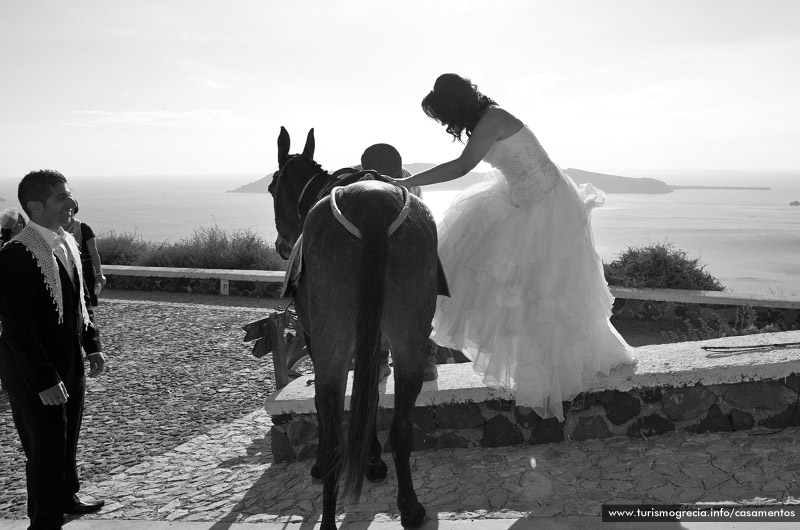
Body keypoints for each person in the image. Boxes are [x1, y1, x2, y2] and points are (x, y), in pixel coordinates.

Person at [390, 74, 635, 421]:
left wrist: (406, 182)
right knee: (471, 262)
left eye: (443, 115)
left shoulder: (493, 118)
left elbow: (462, 166)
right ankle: (532, 368)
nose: (446, 123)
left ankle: (548, 376)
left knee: (542, 293)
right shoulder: (485, 121)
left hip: (548, 205)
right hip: (521, 198)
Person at [0, 169, 106, 528]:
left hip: (69, 362)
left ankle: (67, 496)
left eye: (69, 194)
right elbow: (18, 328)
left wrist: (92, 346)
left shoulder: (66, 243)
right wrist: (44, 378)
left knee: (67, 435)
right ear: (35, 205)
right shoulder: (16, 254)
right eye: (62, 197)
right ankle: (44, 520)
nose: (72, 203)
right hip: (35, 374)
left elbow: (80, 301)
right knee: (44, 446)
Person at [358, 143, 439, 381]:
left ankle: (424, 356)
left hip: (405, 239)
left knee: (429, 290)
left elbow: (418, 214)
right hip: (370, 242)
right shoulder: (358, 180)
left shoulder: (408, 181)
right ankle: (380, 359)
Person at [62, 204, 106, 307]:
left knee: (87, 300)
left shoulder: (83, 228)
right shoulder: (56, 228)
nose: (68, 211)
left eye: (70, 209)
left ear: (74, 210)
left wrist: (99, 272)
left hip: (84, 268)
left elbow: (93, 252)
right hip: (65, 267)